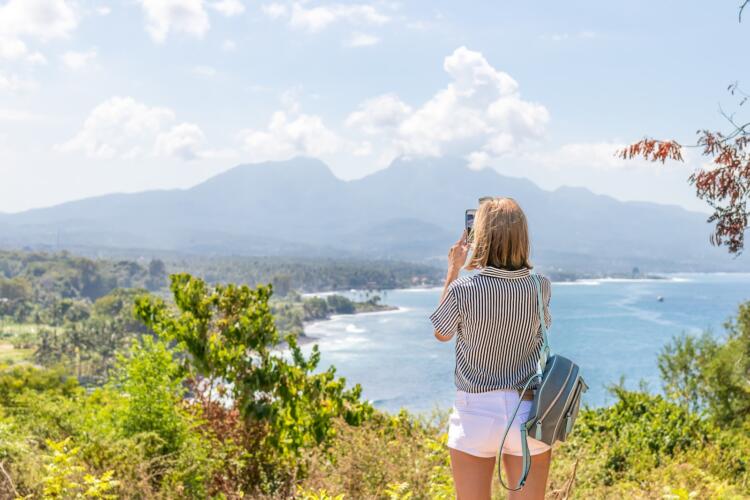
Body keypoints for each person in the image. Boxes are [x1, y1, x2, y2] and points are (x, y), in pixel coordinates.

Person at [429, 197, 552, 500]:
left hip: (475, 412)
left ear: (480, 237)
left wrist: (453, 269)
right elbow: (540, 332)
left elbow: (442, 333)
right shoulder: (540, 286)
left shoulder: (464, 289)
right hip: (526, 410)